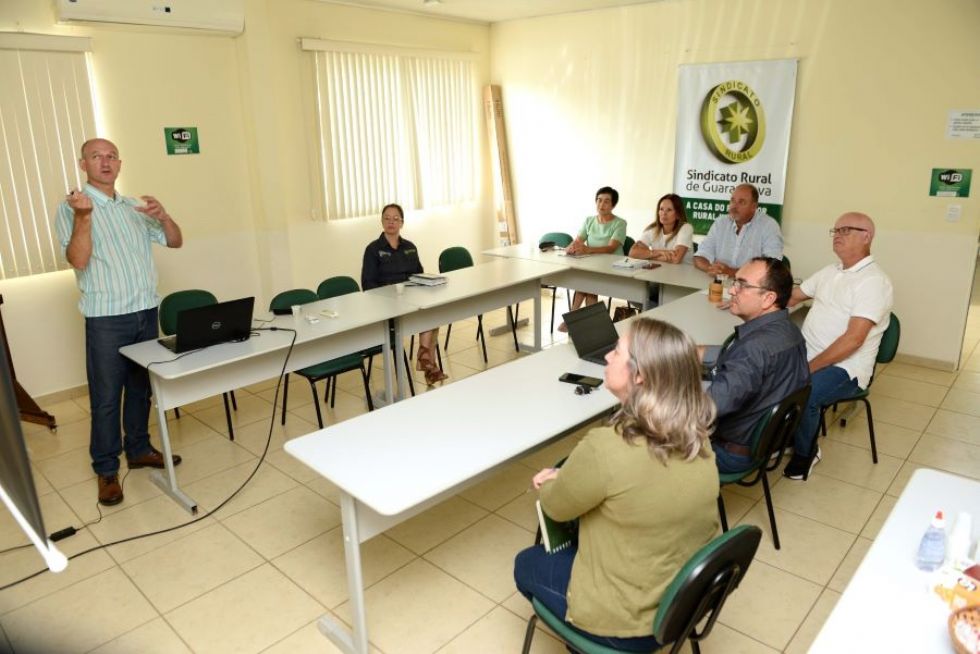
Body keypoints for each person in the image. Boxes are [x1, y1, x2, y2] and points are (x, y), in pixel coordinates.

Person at [514, 318, 719, 651]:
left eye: (616, 351)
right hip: (682, 605)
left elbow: (556, 508)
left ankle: (582, 642)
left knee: (526, 564)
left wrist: (555, 480)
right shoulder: (698, 436)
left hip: (623, 624)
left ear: (639, 375)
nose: (607, 357)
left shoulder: (606, 446)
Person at [55, 138, 183, 507]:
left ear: (120, 164)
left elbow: (175, 241)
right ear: (84, 165)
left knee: (141, 389)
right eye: (96, 156)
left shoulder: (133, 207)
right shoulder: (73, 208)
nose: (105, 162)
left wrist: (164, 216)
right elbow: (78, 260)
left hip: (145, 311)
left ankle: (139, 449)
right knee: (107, 398)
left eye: (111, 156)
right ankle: (107, 469)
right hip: (106, 318)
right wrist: (83, 217)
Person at [783, 212, 893, 480]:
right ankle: (784, 437)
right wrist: (752, 297)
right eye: (836, 230)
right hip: (810, 355)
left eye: (846, 230)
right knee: (768, 372)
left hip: (847, 367)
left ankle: (806, 453)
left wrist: (808, 367)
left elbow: (853, 340)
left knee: (805, 390)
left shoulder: (874, 282)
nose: (838, 235)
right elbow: (793, 297)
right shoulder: (830, 271)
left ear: (866, 237)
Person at [702, 257, 809, 474]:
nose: (732, 290)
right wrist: (684, 350)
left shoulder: (754, 348)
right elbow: (739, 358)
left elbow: (707, 408)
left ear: (768, 298)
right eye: (735, 282)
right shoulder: (789, 331)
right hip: (763, 445)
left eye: (742, 285)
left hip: (728, 453)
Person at [361, 203, 448, 385]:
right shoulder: (373, 250)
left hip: (410, 301)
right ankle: (428, 364)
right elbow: (368, 285)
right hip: (387, 307)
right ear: (381, 221)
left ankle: (425, 358)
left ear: (402, 223)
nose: (391, 222)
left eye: (395, 219)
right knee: (428, 319)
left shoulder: (410, 247)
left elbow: (419, 275)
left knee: (432, 312)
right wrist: (389, 296)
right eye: (387, 218)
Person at [557, 186, 627, 332]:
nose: (602, 204)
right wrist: (569, 248)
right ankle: (588, 322)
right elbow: (578, 241)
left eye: (606, 201)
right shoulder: (589, 220)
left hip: (613, 266)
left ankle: (572, 319)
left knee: (587, 281)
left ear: (613, 205)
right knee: (587, 281)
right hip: (593, 265)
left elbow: (611, 248)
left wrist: (588, 249)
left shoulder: (620, 223)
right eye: (599, 200)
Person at [693, 184, 783, 277]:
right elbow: (699, 257)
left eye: (741, 202)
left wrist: (731, 272)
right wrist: (712, 269)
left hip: (749, 284)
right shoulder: (721, 222)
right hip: (719, 281)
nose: (734, 206)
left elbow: (772, 267)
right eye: (732, 200)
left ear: (754, 206)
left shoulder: (769, 226)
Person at [629, 193, 694, 264]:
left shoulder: (686, 228)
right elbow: (633, 253)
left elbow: (675, 259)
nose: (664, 213)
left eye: (669, 210)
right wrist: (659, 252)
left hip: (683, 270)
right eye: (661, 209)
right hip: (660, 269)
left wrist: (647, 255)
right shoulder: (652, 229)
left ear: (678, 214)